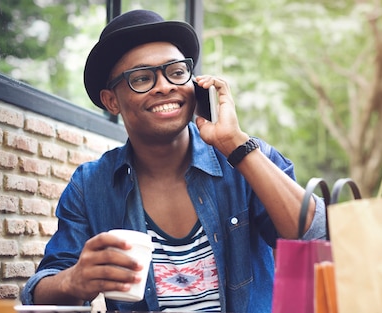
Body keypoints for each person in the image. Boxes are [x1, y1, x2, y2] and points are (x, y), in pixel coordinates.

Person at [20, 9, 326, 313]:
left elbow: (315, 238)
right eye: (141, 78)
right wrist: (73, 280)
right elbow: (40, 292)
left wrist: (235, 145)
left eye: (177, 72)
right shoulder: (90, 186)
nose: (165, 86)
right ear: (112, 101)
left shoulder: (244, 159)